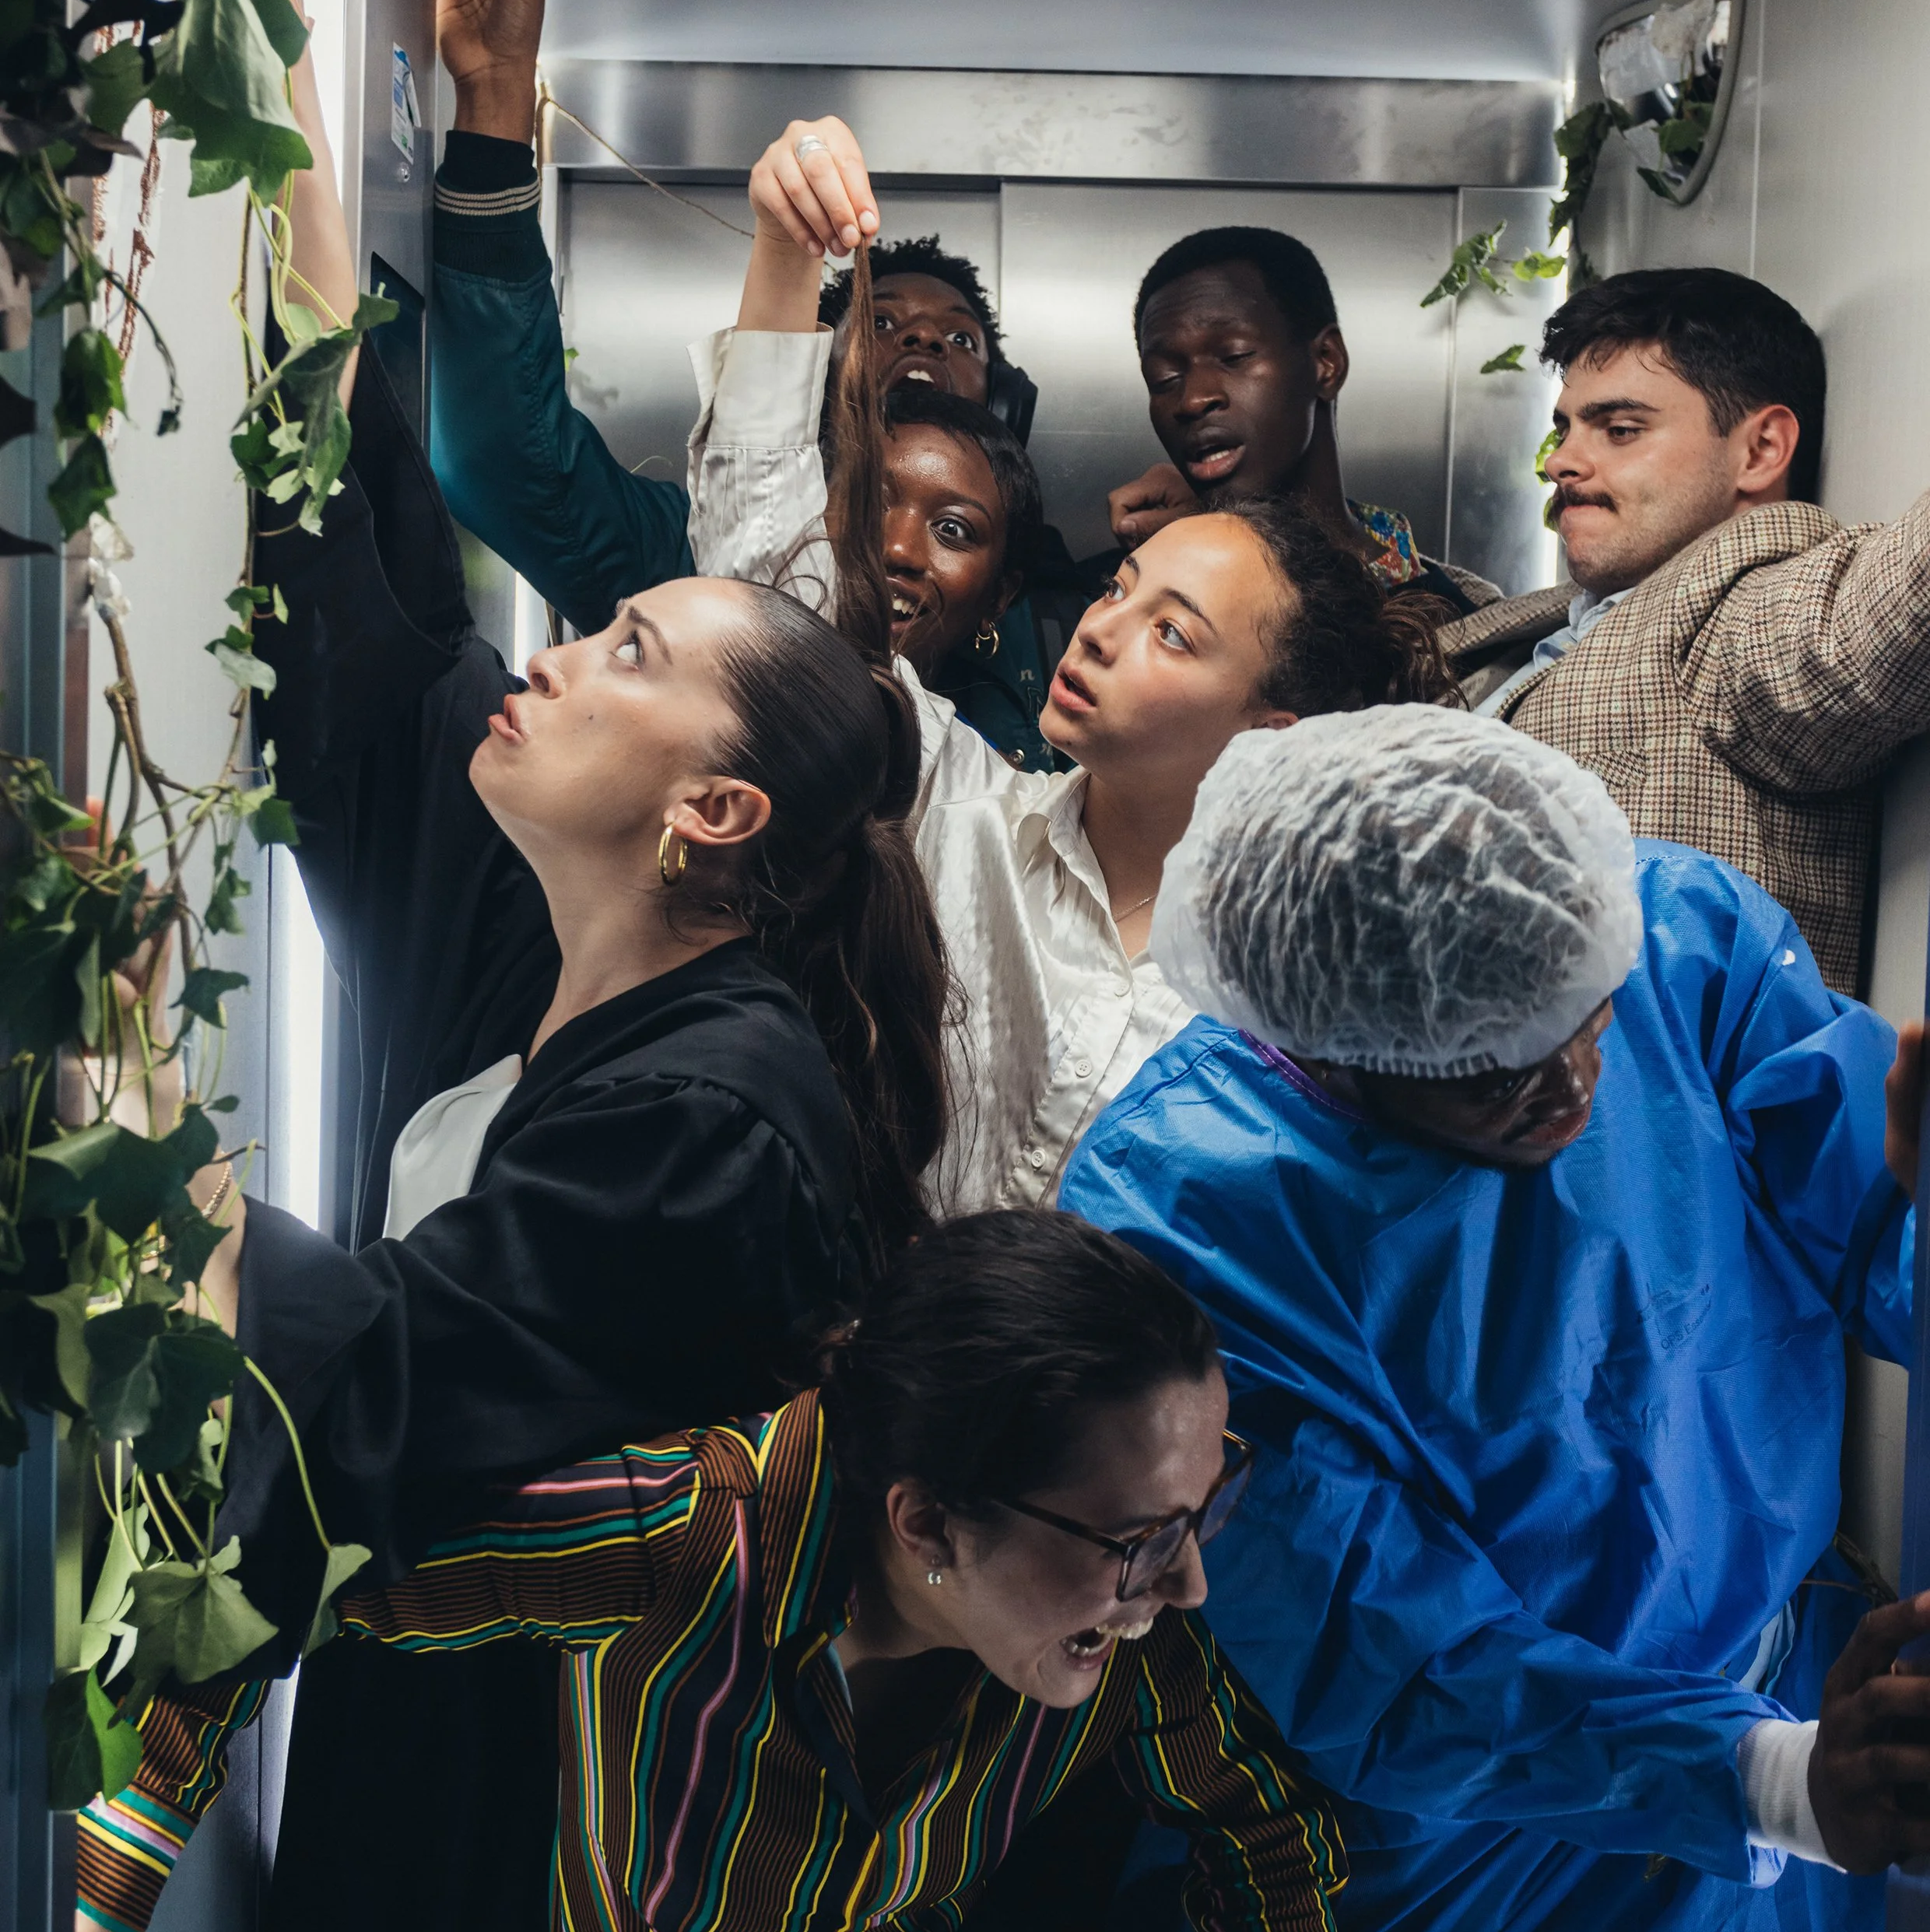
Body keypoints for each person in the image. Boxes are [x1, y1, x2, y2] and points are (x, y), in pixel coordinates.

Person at [9, 0, 949, 1932]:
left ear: (723, 814)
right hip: (424, 1829)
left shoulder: (730, 1126)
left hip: (585, 1924)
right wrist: (290, 124)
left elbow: (376, 1415)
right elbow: (372, 599)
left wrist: (128, 1136)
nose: (563, 650)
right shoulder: (543, 960)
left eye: (628, 644)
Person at [49, 1211, 1549, 1932]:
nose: (1188, 1578)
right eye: (1140, 1535)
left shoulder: (1129, 1637)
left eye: (1199, 1507)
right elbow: (252, 1603)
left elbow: (1261, 1825)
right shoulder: (673, 1538)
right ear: (927, 1521)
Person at [1062, 704, 1928, 1932]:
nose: (1574, 1084)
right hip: (1463, 1871)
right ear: (1318, 1043)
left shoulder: (1670, 932)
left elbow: (1865, 1237)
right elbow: (1396, 1657)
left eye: (1591, 1024)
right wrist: (1768, 1781)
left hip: (1769, 1757)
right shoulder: (1181, 1213)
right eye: (1494, 1065)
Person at [447, 114, 1455, 1215]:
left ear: (1270, 732)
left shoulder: (1306, 977)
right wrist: (785, 253)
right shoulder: (964, 811)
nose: (1104, 631)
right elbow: (786, 607)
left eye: (1174, 631)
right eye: (1120, 589)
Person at [426, 0, 1069, 765]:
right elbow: (501, 456)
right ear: (810, 379)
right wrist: (498, 95)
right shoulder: (694, 561)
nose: (922, 344)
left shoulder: (1072, 643)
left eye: (958, 338)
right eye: (884, 323)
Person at [1443, 265, 1930, 991]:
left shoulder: (1734, 612)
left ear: (1761, 450)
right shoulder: (1527, 628)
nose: (1561, 462)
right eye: (1566, 429)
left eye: (1620, 429)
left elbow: (1896, 602)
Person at [1103, 227, 1498, 619]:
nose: (1191, 399)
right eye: (1164, 379)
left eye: (1234, 357)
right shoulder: (1122, 593)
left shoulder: (1444, 628)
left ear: (1326, 363)